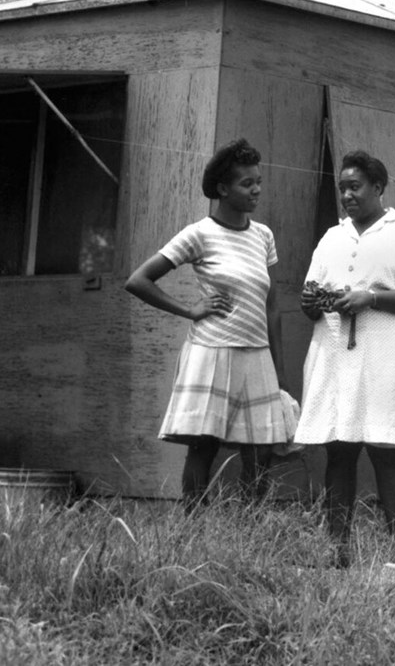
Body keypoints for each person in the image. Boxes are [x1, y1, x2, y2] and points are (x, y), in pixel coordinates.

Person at [126, 138, 297, 512]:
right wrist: (190, 309)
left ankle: (248, 529)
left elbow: (272, 307)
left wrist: (279, 372)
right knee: (203, 445)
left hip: (257, 355)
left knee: (261, 448)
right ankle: (193, 528)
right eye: (246, 183)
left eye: (258, 181)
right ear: (222, 189)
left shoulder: (262, 235)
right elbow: (138, 280)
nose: (256, 190)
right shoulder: (199, 234)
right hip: (212, 350)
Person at [295, 150, 395, 566]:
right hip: (336, 353)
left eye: (355, 187)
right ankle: (337, 549)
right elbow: (311, 297)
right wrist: (312, 302)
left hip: (383, 354)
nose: (347, 195)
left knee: (385, 449)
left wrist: (369, 297)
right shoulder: (332, 237)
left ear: (378, 187)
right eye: (342, 189)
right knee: (339, 448)